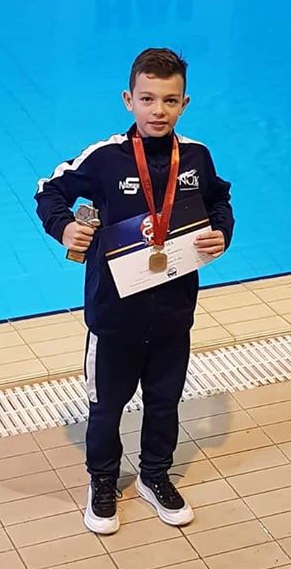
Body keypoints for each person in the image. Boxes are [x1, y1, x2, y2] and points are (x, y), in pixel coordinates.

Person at [35, 48, 234, 534]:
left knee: (165, 402)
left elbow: (220, 200)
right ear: (129, 100)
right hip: (114, 316)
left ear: (184, 103)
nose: (158, 110)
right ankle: (103, 480)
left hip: (173, 313)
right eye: (147, 99)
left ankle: (154, 475)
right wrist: (64, 228)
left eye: (169, 100)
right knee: (106, 407)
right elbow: (48, 189)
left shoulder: (197, 156)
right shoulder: (105, 158)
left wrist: (222, 234)